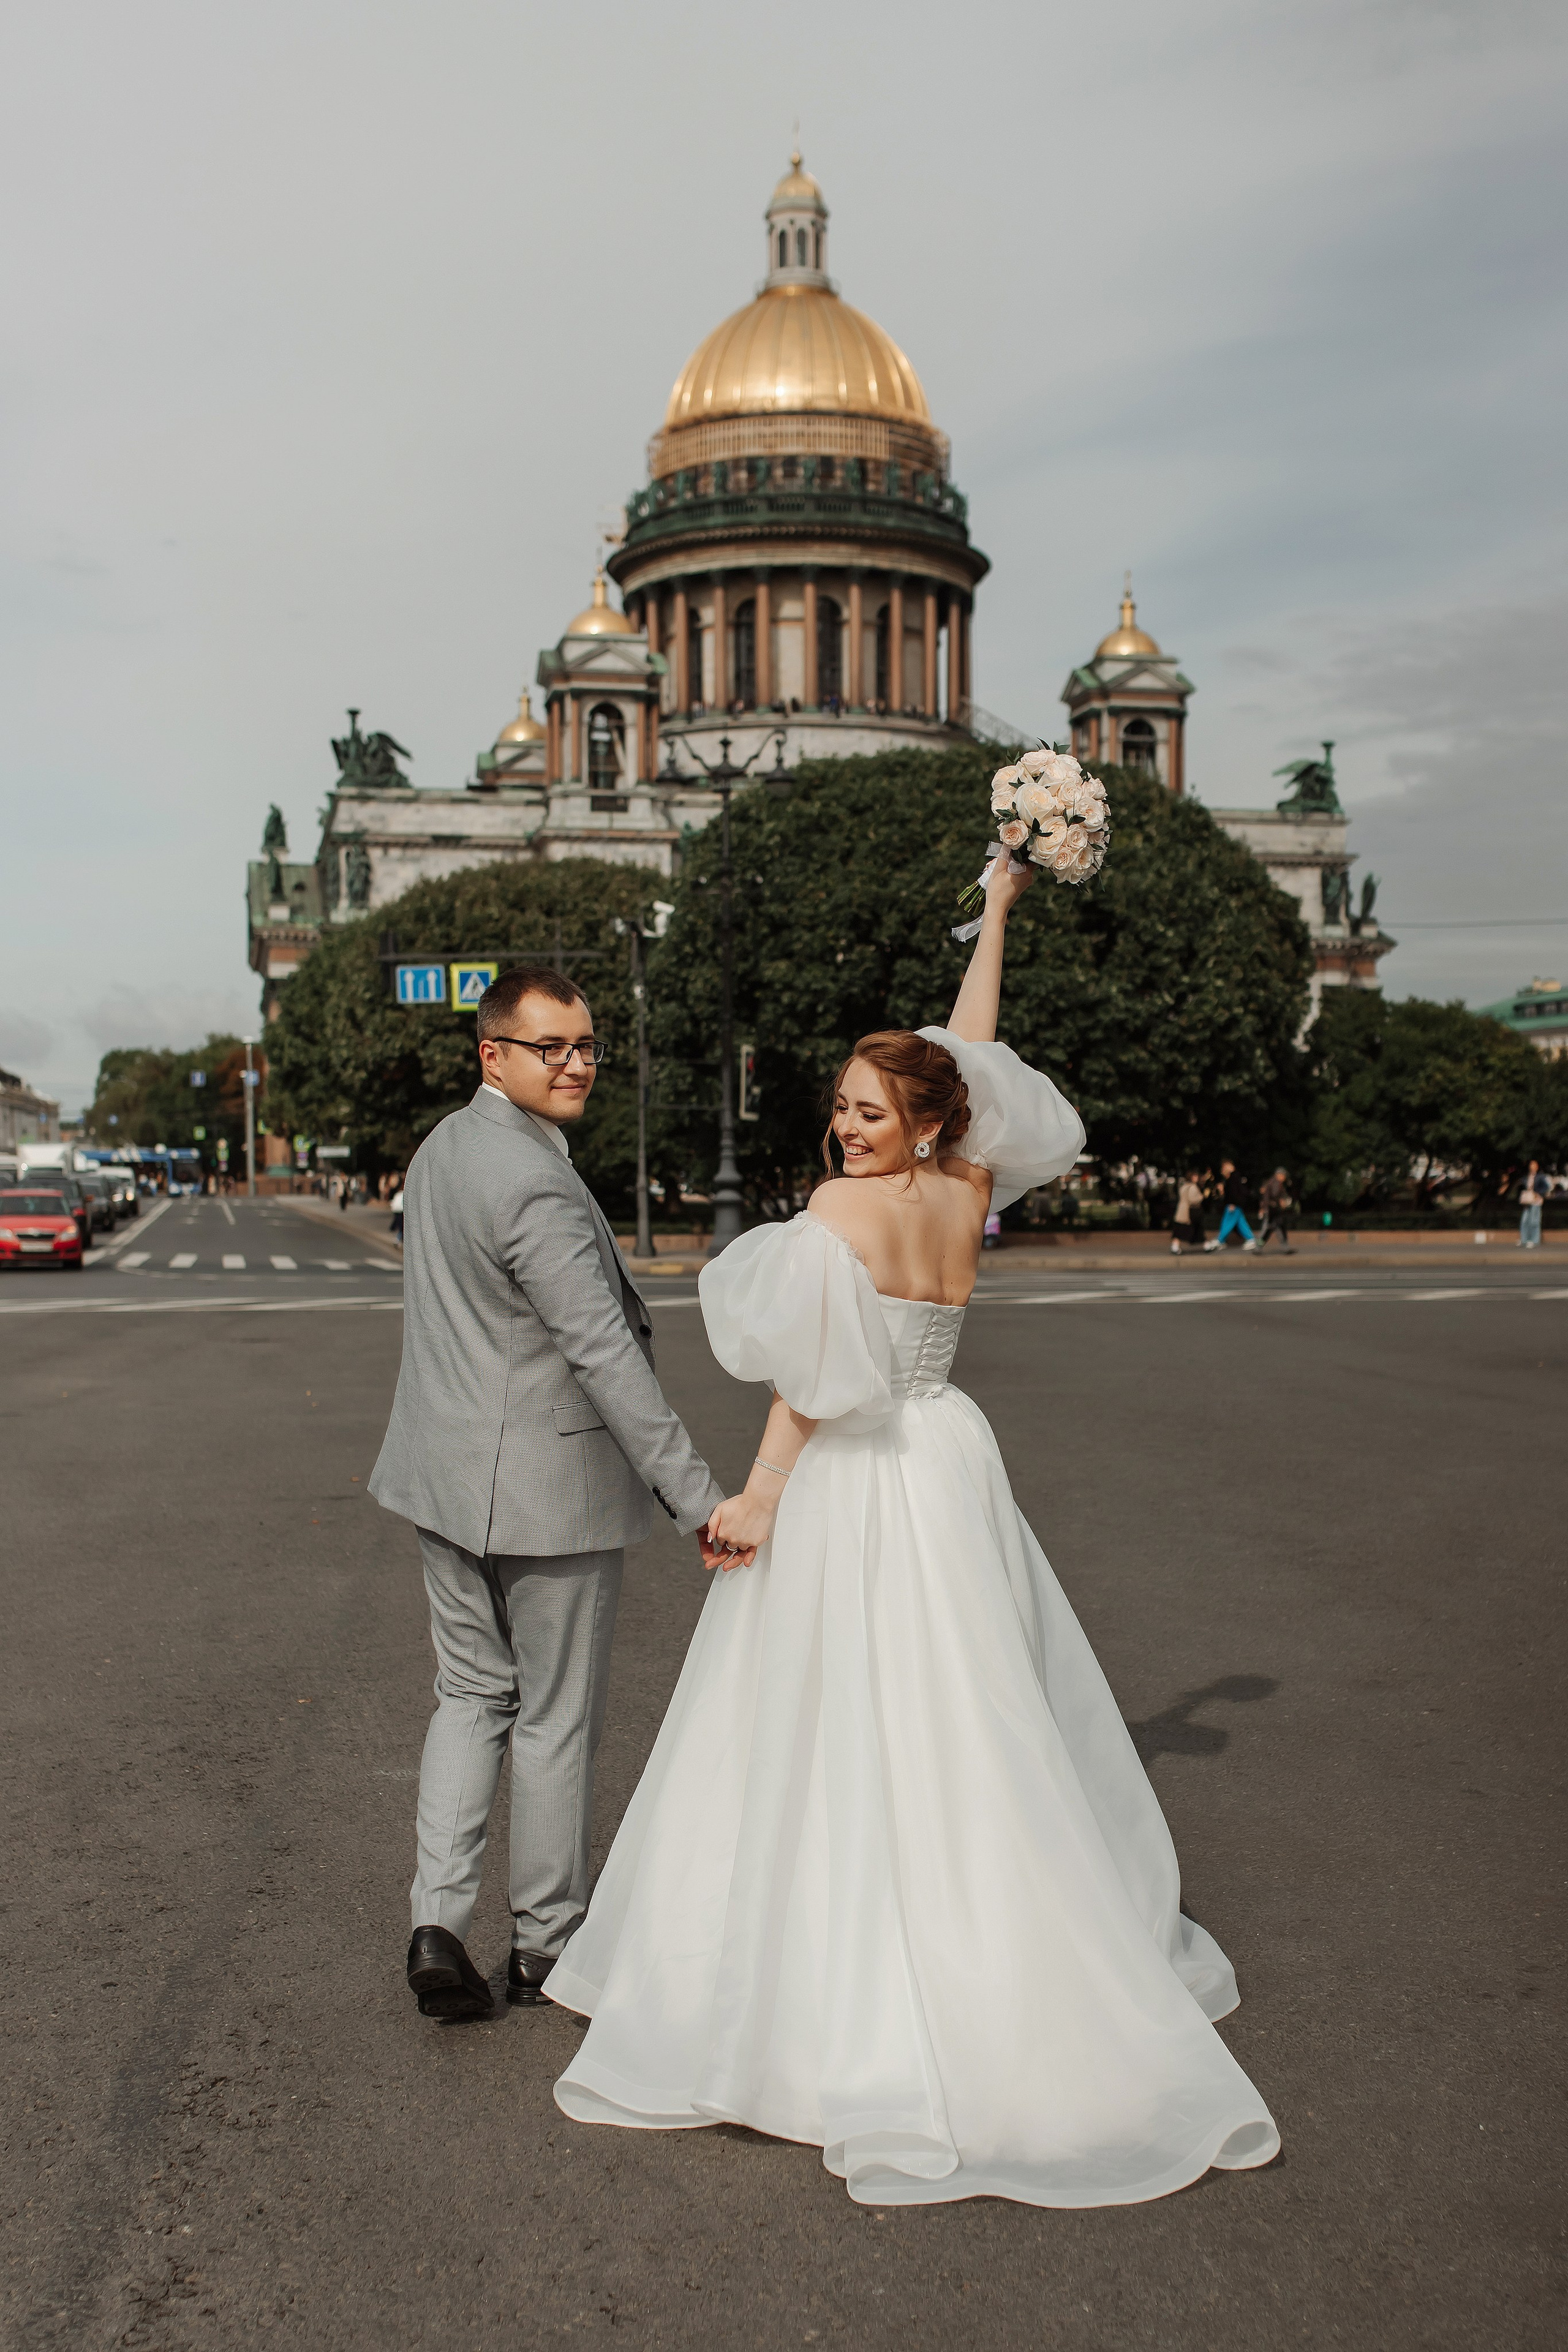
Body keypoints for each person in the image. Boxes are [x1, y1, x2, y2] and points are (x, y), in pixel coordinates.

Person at [548, 863, 1279, 2209]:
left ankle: (816, 1989)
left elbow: (809, 1385)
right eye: (839, 1108)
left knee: (816, 1719)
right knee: (970, 1706)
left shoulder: (841, 1215)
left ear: (916, 1119)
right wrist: (993, 917)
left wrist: (757, 1495)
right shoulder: (967, 1185)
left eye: (868, 1111)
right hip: (947, 1456)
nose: (843, 1129)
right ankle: (1000, 1941)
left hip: (855, 1465)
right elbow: (969, 1049)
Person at [368, 963, 728, 2024]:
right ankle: (545, 1946)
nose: (576, 1065)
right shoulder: (531, 1178)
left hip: (443, 1479)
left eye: (586, 1046)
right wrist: (697, 1496)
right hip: (547, 1486)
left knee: (470, 1697)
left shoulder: (442, 1149)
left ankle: (436, 1922)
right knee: (556, 1721)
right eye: (550, 1048)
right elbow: (604, 1355)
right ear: (494, 1054)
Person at [1203, 1159, 1258, 1252]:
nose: (1222, 1170)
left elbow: (1234, 1193)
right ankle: (1251, 1239)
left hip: (1233, 1205)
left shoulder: (1234, 1177)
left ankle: (1220, 1240)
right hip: (1235, 1204)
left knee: (1227, 1223)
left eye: (1224, 1167)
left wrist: (1233, 1203)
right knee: (1240, 1223)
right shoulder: (1234, 1177)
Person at [1257, 1167, 1295, 1253]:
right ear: (1279, 1175)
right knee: (1268, 1230)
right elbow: (1274, 1195)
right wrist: (1281, 1201)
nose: (1284, 1178)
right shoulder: (1276, 1183)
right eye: (1284, 1176)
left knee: (1276, 1229)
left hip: (1273, 1211)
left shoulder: (1272, 1182)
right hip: (1272, 1211)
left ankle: (1285, 1248)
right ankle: (1258, 1247)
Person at [1170, 1168, 1206, 1254]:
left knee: (1180, 1230)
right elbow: (1193, 1200)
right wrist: (1202, 1197)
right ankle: (1206, 1245)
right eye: (1195, 1176)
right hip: (1190, 1212)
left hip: (1182, 1211)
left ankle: (1174, 1246)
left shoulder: (1184, 1186)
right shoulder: (1193, 1187)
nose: (1197, 1178)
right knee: (1196, 1228)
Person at [1518, 1161, 1547, 1250]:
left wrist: (1538, 1193)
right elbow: (1523, 1187)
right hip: (1527, 1201)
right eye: (1531, 1165)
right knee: (1525, 1220)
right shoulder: (1527, 1176)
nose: (1532, 1166)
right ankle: (1524, 1239)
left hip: (1536, 1201)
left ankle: (1534, 1240)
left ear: (1537, 1167)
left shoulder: (1540, 1177)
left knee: (1534, 1220)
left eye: (1534, 1165)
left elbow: (1546, 1187)